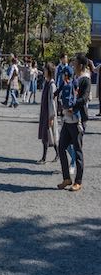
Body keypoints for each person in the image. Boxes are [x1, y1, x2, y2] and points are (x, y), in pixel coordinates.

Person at [57, 54, 88, 191]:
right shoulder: (73, 77)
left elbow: (84, 98)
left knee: (77, 150)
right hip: (67, 119)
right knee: (61, 147)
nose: (72, 65)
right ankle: (66, 178)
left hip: (78, 120)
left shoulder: (85, 80)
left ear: (80, 65)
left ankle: (78, 181)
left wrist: (72, 107)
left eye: (74, 63)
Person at [37, 63, 59, 165]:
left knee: (49, 135)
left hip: (49, 114)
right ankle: (57, 154)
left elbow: (52, 103)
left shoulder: (52, 85)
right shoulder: (46, 83)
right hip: (45, 113)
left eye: (45, 70)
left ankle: (44, 157)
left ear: (49, 71)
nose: (43, 71)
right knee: (48, 135)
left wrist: (51, 117)